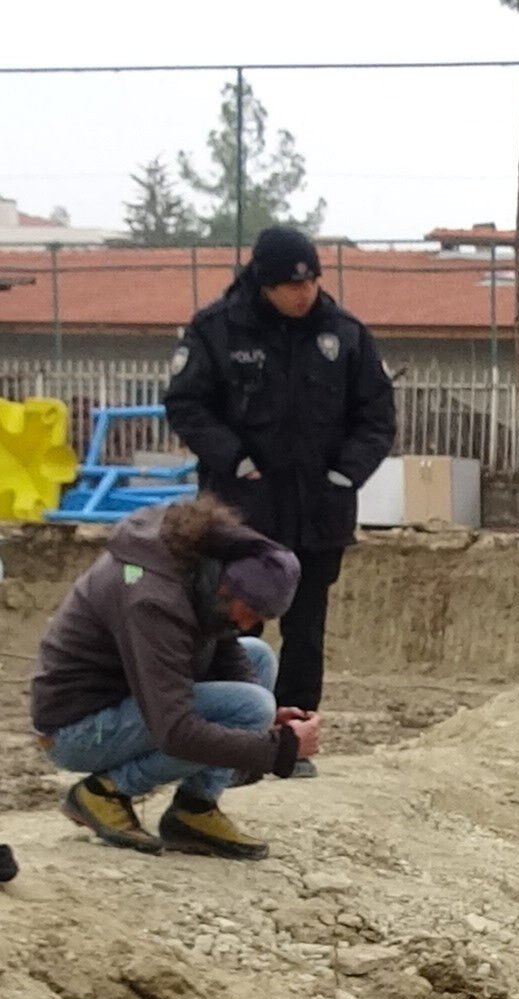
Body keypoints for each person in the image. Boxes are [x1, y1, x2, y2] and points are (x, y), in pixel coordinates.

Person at [162, 224, 396, 720]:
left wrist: (345, 475)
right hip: (242, 513)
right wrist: (235, 460)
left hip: (320, 513)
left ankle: (293, 735)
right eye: (292, 285)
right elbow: (186, 404)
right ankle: (230, 727)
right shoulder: (217, 330)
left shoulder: (345, 335)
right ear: (264, 283)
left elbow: (376, 417)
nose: (305, 293)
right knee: (234, 625)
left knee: (306, 631)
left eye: (312, 281)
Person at [25, 494, 321, 859]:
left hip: (125, 702)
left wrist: (266, 725)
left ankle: (194, 810)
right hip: (75, 730)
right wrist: (279, 750)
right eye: (251, 611)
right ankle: (104, 792)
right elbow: (175, 730)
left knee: (258, 660)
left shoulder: (202, 570)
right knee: (251, 706)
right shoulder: (153, 599)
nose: (249, 624)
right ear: (227, 586)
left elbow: (223, 646)